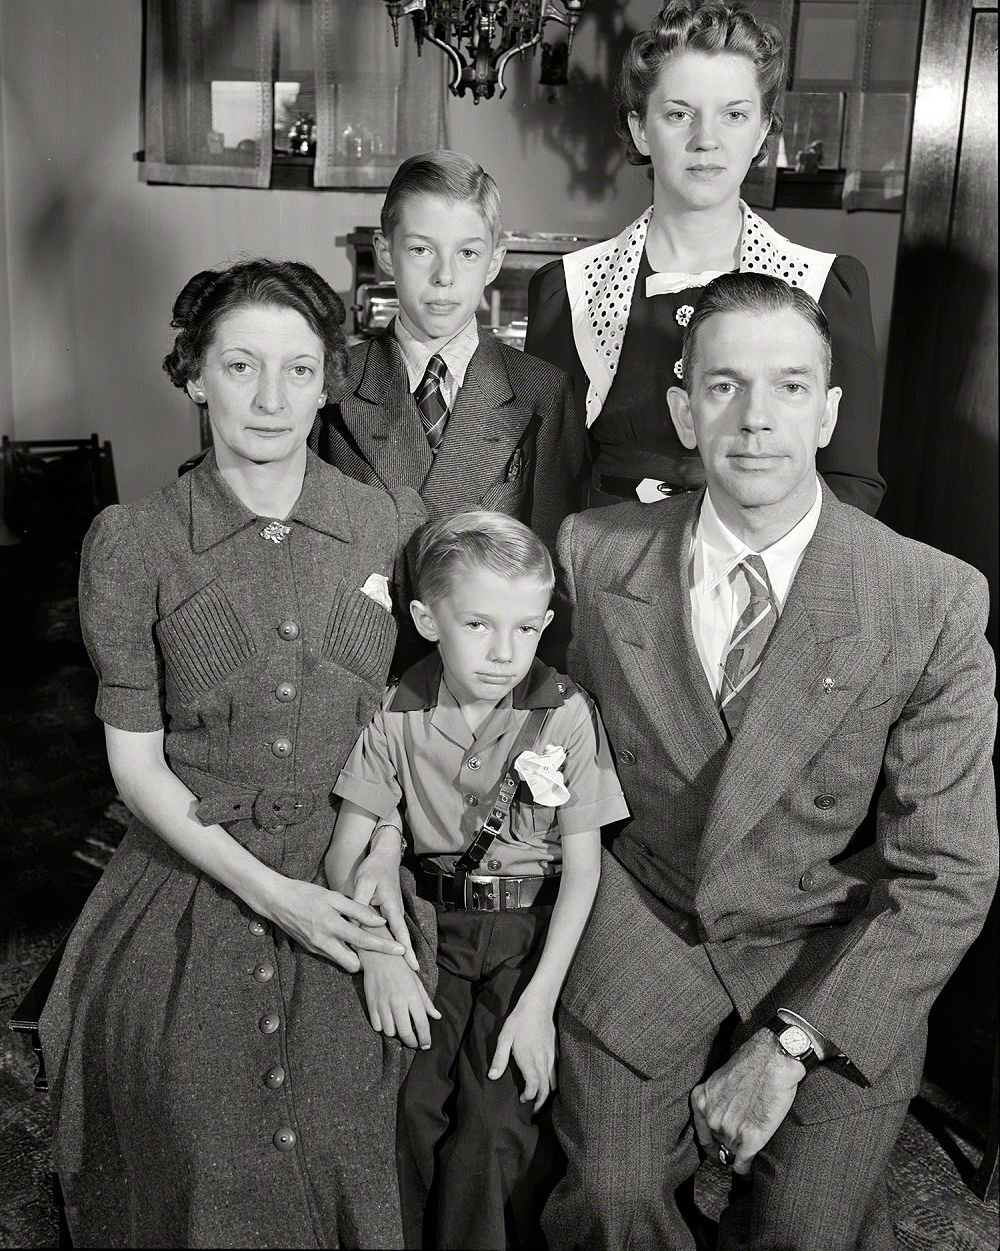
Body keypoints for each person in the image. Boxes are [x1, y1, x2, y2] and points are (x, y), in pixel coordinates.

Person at [543, 272, 998, 1250]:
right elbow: (559, 765)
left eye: (789, 386)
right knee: (609, 1204)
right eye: (724, 386)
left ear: (828, 411)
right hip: (647, 926)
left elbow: (950, 868)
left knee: (807, 1229)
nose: (756, 419)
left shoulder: (928, 598)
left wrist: (794, 1045)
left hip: (828, 948)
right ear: (681, 408)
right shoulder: (594, 552)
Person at [38, 260, 432, 1248]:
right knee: (195, 1125)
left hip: (350, 857)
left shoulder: (388, 526)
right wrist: (272, 895)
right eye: (241, 365)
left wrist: (376, 852)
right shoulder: (132, 542)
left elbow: (403, 713)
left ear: (328, 379)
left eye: (299, 369)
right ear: (194, 377)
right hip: (194, 868)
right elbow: (136, 769)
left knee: (363, 1120)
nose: (270, 396)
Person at [325, 511, 629, 1250]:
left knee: (496, 1125)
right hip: (427, 932)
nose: (504, 653)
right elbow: (345, 857)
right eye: (479, 626)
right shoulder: (398, 712)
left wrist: (538, 1007)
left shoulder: (563, 713)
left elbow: (584, 871)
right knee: (408, 1110)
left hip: (528, 939)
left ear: (547, 623)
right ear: (428, 620)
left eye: (526, 629)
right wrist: (385, 957)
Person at [525, 0, 885, 516]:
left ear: (763, 130)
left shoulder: (826, 286)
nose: (706, 140)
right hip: (604, 575)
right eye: (678, 114)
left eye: (734, 115)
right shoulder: (570, 290)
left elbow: (851, 486)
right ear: (639, 129)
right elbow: (548, 487)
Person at [311, 150, 587, 554]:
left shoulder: (542, 391)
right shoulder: (335, 383)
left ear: (494, 262)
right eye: (421, 250)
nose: (444, 276)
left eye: (468, 253)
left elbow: (551, 562)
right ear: (386, 254)